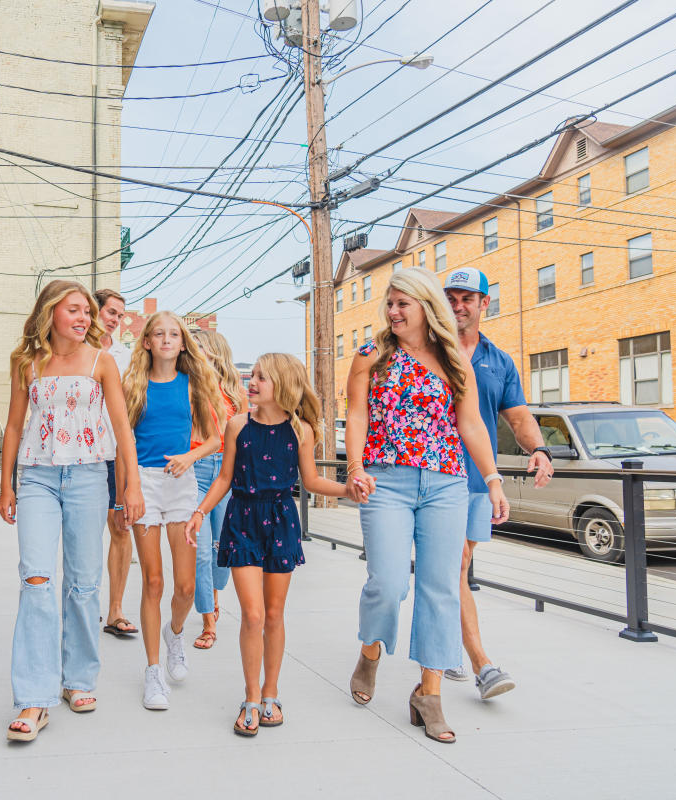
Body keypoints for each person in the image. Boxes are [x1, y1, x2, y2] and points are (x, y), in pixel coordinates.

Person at [343, 268, 510, 744]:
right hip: (386, 482)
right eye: (390, 304)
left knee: (441, 589)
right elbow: (355, 414)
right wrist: (355, 468)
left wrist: (494, 480)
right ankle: (371, 651)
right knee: (388, 583)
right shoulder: (370, 355)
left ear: (425, 306)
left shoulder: (453, 357)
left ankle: (429, 693)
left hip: (446, 484)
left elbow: (473, 424)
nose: (394, 312)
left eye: (404, 304)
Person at [0, 280, 145, 743]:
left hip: (87, 478)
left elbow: (122, 428)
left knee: (83, 585)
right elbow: (15, 426)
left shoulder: (103, 363)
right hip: (38, 477)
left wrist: (131, 486)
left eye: (88, 311)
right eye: (75, 310)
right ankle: (33, 698)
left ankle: (77, 679)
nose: (85, 318)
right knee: (36, 579)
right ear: (51, 313)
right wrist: (7, 484)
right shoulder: (28, 363)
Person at [185, 353, 347, 735]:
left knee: (274, 615)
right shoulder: (237, 425)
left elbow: (311, 481)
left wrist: (347, 488)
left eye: (261, 377)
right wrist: (199, 511)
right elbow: (224, 479)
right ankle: (252, 696)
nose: (252, 382)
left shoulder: (301, 430)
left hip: (280, 521)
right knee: (253, 615)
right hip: (242, 518)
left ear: (284, 385)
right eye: (252, 375)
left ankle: (272, 693)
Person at [441, 269, 553, 698]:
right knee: (457, 565)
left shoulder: (499, 360)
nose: (458, 305)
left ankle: (444, 643)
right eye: (451, 297)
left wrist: (538, 450)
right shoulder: (429, 351)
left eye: (467, 298)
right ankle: (480, 663)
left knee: (455, 567)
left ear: (485, 303)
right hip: (434, 476)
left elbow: (518, 416)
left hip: (477, 478)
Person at [121, 311, 224, 710]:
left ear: (183, 343)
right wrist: (126, 493)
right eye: (158, 333)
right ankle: (152, 673)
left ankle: (175, 633)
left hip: (181, 483)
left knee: (184, 587)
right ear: (146, 341)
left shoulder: (194, 384)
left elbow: (215, 439)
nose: (166, 339)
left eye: (173, 334)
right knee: (154, 582)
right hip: (143, 483)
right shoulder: (134, 385)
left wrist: (189, 455)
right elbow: (124, 442)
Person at [188, 329, 247, 650]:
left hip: (227, 471)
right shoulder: (186, 385)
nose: (192, 351)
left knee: (221, 547)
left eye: (198, 346)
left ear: (214, 351)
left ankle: (213, 592)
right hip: (195, 471)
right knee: (197, 546)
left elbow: (246, 436)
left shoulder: (235, 391)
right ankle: (208, 619)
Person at [93, 288, 138, 638]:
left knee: (121, 527)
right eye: (110, 311)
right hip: (81, 453)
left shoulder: (125, 356)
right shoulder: (76, 351)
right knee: (85, 532)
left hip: (117, 454)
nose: (115, 319)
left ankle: (115, 609)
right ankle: (83, 602)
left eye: (120, 315)